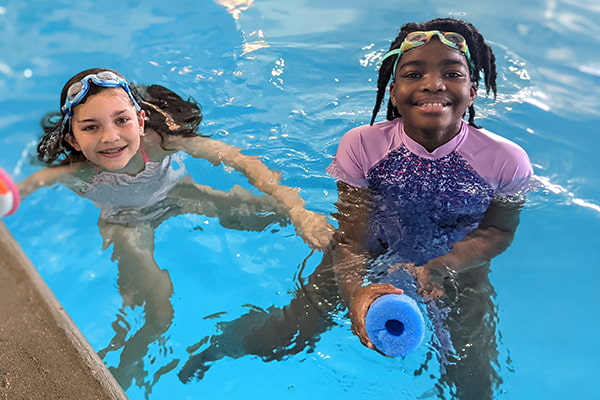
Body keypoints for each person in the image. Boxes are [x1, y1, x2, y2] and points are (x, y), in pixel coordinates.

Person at [178, 17, 533, 399]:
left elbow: (497, 232)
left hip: (459, 266)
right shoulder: (363, 146)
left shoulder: (506, 160)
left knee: (473, 379)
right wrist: (355, 293)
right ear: (393, 92)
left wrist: (445, 265)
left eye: (452, 73)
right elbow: (351, 238)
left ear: (473, 89)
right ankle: (224, 344)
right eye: (414, 74)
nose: (433, 83)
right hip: (372, 248)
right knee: (285, 337)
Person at [18, 68, 333, 392]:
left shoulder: (162, 142)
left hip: (177, 195)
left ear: (140, 121)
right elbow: (23, 188)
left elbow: (241, 161)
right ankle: (122, 375)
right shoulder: (77, 172)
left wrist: (299, 211)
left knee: (268, 213)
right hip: (126, 222)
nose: (110, 136)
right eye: (91, 127)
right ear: (73, 139)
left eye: (121, 120)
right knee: (159, 307)